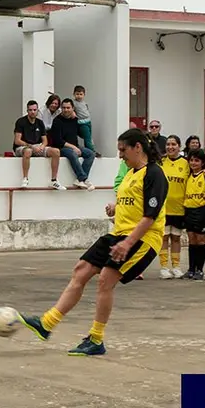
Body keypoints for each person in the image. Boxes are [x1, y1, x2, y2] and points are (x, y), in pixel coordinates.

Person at [17, 128, 167, 356]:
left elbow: (150, 215)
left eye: (123, 150)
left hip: (143, 239)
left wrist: (128, 244)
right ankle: (46, 324)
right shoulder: (130, 172)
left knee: (106, 280)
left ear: (138, 147)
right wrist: (116, 207)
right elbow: (135, 200)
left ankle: (96, 339)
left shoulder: (155, 174)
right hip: (119, 233)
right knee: (81, 270)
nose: (120, 155)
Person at [181, 149, 205, 280]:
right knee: (192, 239)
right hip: (189, 209)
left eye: (197, 160)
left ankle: (199, 269)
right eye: (191, 160)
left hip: (201, 211)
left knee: (201, 240)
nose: (193, 163)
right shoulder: (187, 175)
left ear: (202, 162)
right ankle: (191, 269)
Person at [158, 135, 190, 279]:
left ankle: (176, 266)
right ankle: (164, 267)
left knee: (176, 238)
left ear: (179, 146)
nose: (170, 147)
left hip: (179, 208)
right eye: (168, 144)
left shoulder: (185, 163)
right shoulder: (161, 162)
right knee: (163, 237)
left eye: (174, 144)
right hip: (163, 207)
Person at [48, 98, 96, 190]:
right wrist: (73, 147)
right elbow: (58, 141)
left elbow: (81, 133)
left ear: (73, 108)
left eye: (68, 108)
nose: (66, 110)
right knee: (72, 153)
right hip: (61, 148)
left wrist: (88, 137)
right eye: (64, 108)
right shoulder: (57, 121)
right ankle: (84, 179)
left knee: (90, 154)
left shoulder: (75, 119)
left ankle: (79, 180)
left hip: (75, 146)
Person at [14, 100, 62, 189]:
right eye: (30, 110)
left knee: (56, 151)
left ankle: (54, 180)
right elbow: (17, 140)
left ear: (37, 111)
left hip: (37, 146)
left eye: (34, 110)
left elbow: (45, 141)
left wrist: (41, 147)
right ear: (27, 110)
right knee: (28, 151)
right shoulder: (21, 122)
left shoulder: (40, 123)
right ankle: (25, 179)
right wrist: (32, 146)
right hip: (22, 147)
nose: (32, 112)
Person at [72, 86, 94, 153]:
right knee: (87, 137)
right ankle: (91, 151)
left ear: (84, 95)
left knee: (89, 137)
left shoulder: (84, 103)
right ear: (74, 94)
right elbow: (72, 110)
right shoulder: (74, 103)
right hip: (82, 123)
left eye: (81, 94)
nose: (79, 96)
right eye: (77, 94)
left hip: (88, 121)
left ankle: (90, 149)